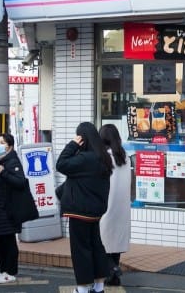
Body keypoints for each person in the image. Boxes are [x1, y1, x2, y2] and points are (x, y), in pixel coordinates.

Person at [56, 122, 113, 293]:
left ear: (82, 138)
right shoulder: (103, 157)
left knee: (80, 250)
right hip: (95, 212)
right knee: (96, 247)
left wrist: (72, 145)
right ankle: (99, 286)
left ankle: (82, 289)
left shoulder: (84, 159)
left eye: (78, 136)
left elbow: (61, 164)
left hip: (79, 212)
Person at [0, 133, 27, 285]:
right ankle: (2, 270)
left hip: (7, 208)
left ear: (10, 146)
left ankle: (11, 272)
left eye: (2, 142)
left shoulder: (12, 161)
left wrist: (4, 172)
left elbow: (20, 182)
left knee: (8, 241)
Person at [99, 124, 131, 286]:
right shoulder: (125, 157)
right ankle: (114, 277)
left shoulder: (104, 158)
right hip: (122, 206)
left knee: (101, 242)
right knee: (116, 242)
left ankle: (112, 269)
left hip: (106, 205)